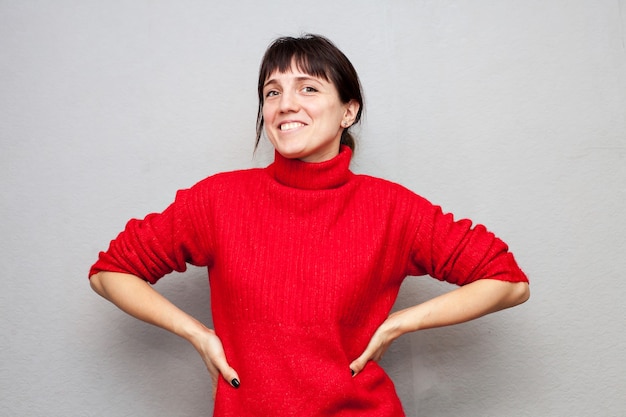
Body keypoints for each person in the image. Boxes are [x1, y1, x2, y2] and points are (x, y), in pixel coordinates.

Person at [89, 34, 530, 417]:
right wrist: (198, 334)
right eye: (272, 92)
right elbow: (110, 272)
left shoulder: (392, 209)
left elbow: (508, 283)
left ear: (348, 112)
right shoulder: (218, 201)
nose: (286, 105)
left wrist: (400, 323)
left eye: (308, 88)